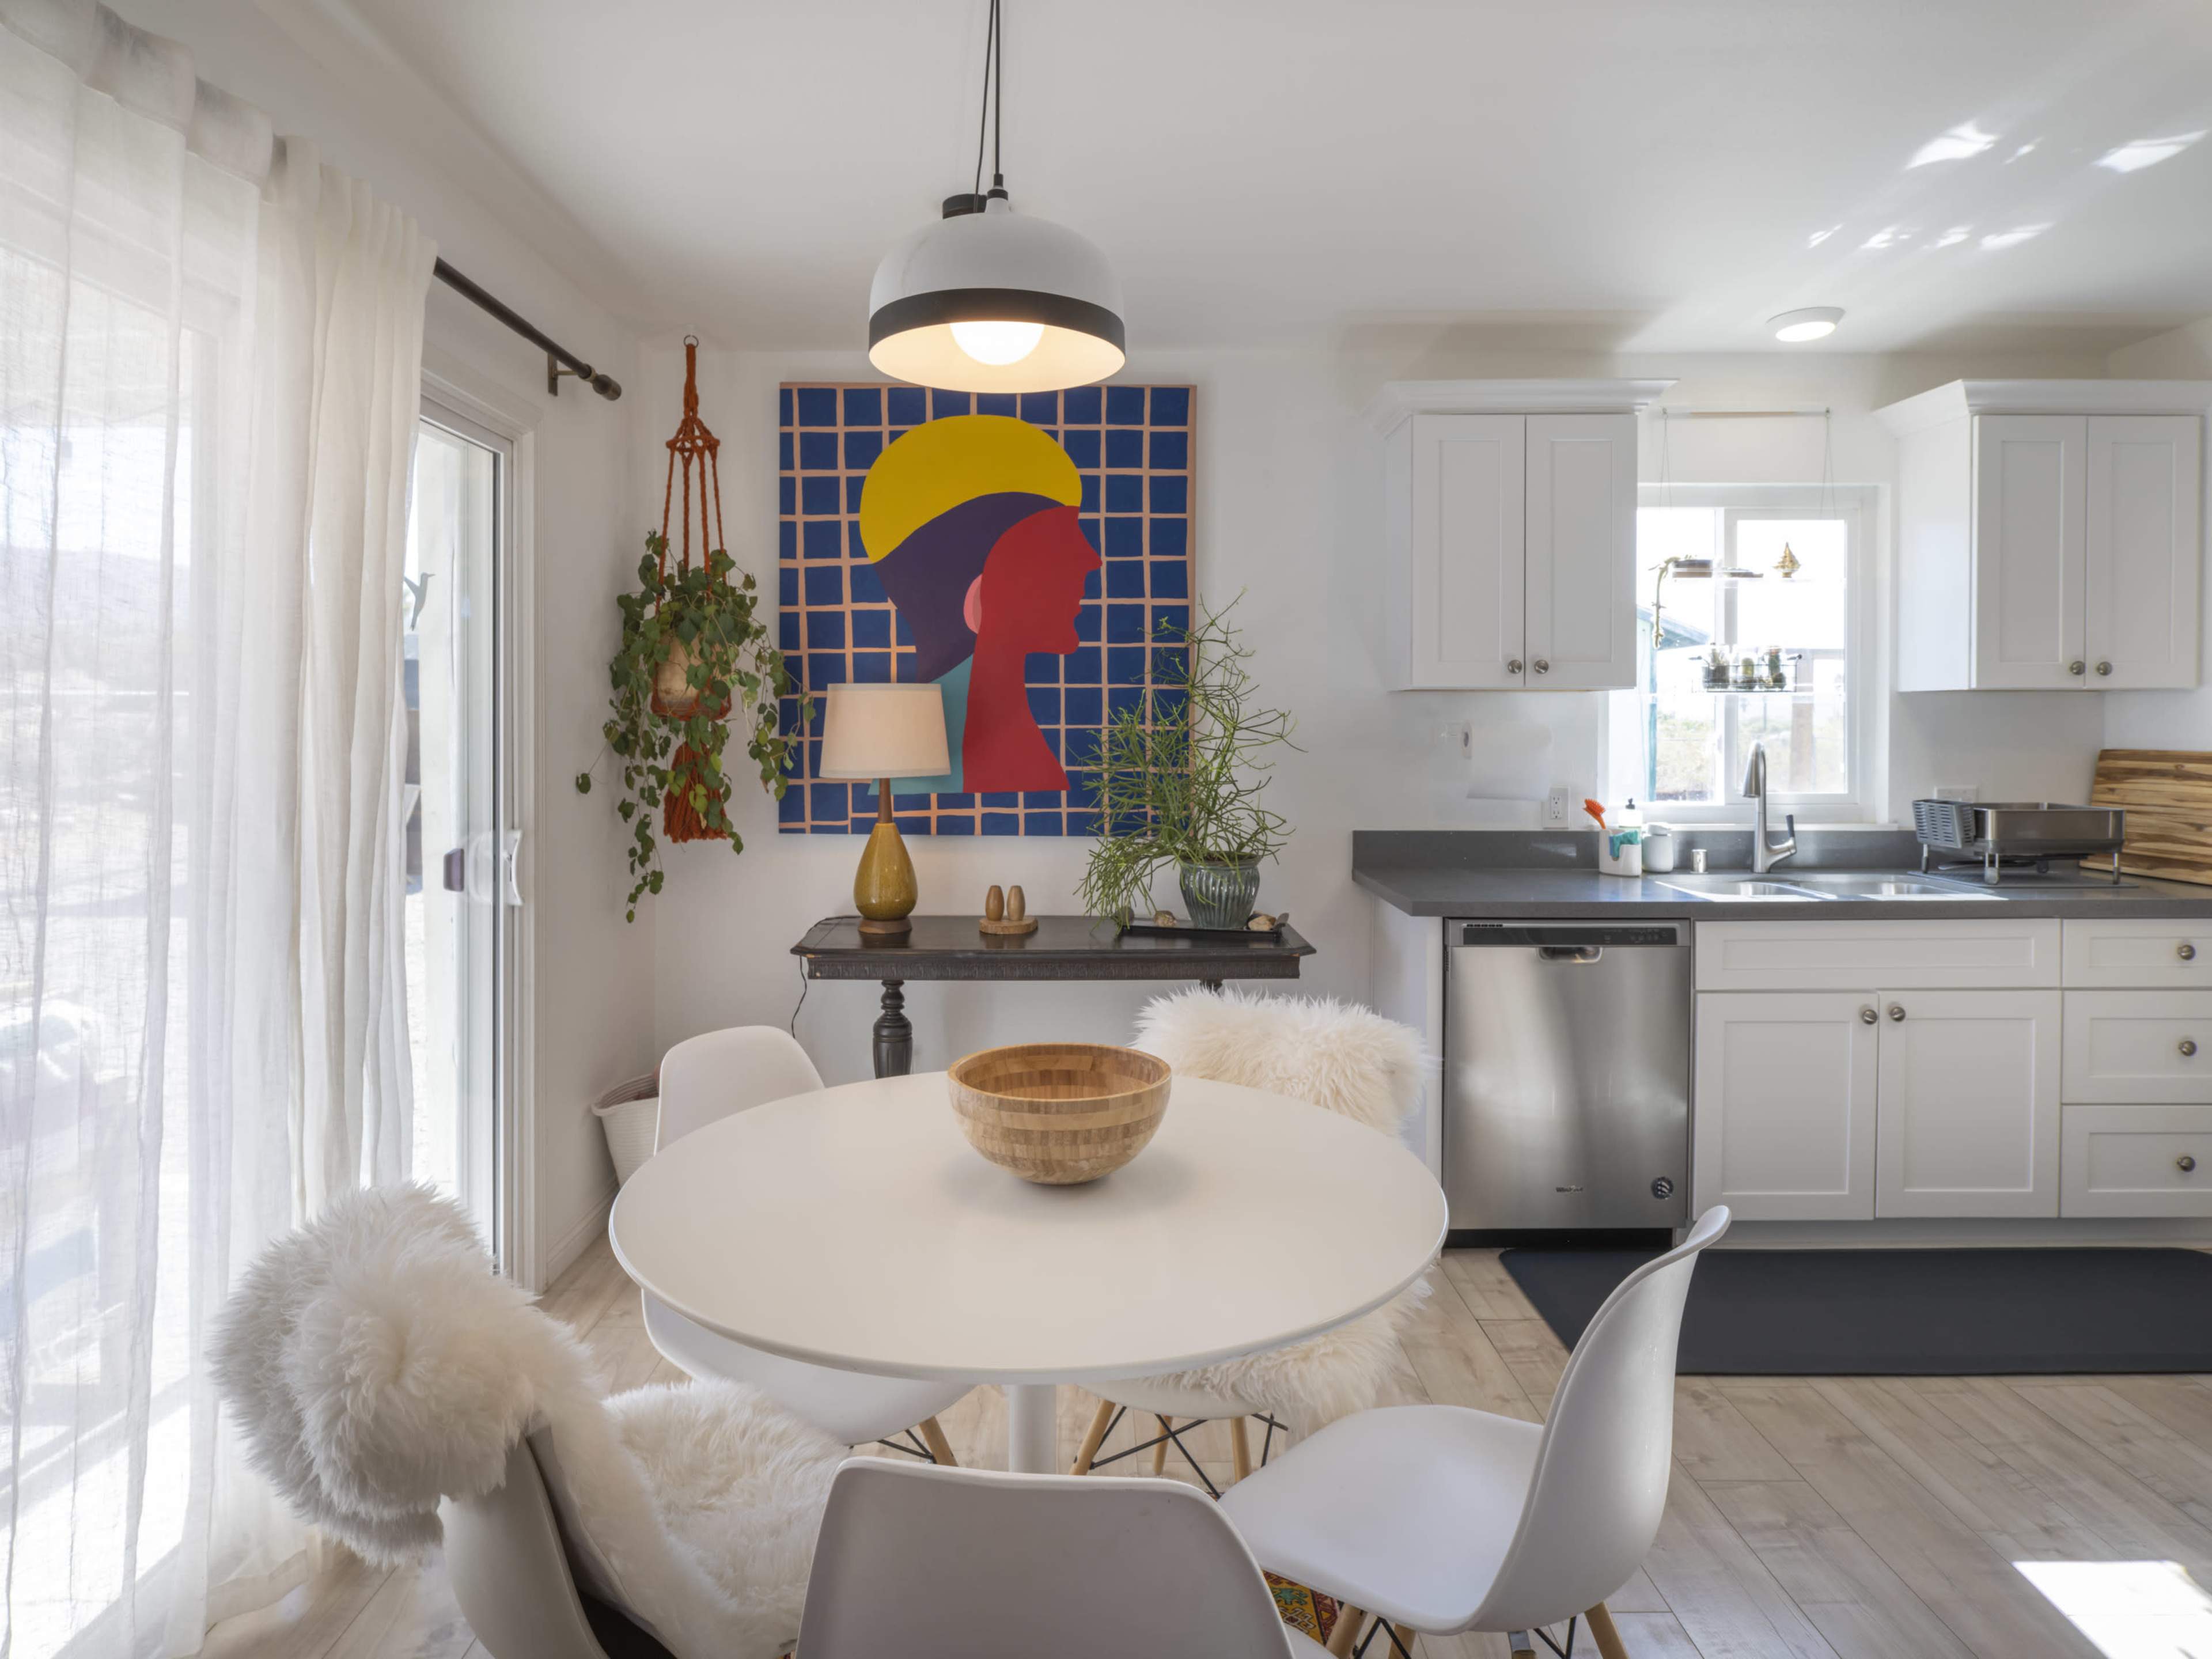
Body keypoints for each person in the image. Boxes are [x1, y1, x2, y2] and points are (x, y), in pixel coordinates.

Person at [858, 415, 1100, 794]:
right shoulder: (982, 760)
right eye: (1055, 549)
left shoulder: (1015, 749)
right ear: (980, 597)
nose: (1091, 559)